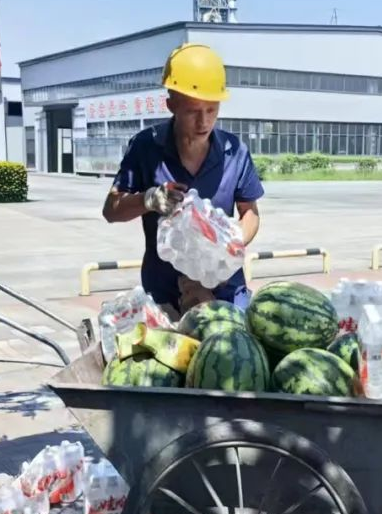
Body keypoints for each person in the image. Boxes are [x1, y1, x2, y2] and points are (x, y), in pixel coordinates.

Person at [102, 43, 264, 316]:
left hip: (225, 289)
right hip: (165, 296)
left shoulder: (235, 151)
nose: (204, 122)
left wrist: (230, 247)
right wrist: (148, 199)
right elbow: (111, 210)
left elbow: (251, 213)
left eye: (211, 110)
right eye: (192, 111)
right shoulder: (146, 147)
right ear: (171, 105)